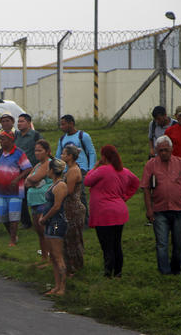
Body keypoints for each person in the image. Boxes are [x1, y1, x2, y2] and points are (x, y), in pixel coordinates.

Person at [140, 135, 181, 275]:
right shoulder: (151, 165)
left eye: (166, 150)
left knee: (179, 243)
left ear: (171, 149)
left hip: (180, 210)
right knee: (161, 243)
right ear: (157, 151)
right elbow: (146, 188)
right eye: (161, 150)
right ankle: (164, 272)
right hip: (160, 210)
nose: (163, 153)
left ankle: (176, 269)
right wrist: (149, 209)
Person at [84, 145, 139, 278]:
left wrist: (95, 166)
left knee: (106, 245)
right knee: (116, 243)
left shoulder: (103, 170)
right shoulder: (123, 171)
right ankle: (118, 272)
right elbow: (136, 182)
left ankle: (108, 272)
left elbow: (87, 181)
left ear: (104, 156)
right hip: (119, 211)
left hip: (104, 213)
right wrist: (125, 197)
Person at [0, 130, 32, 246]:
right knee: (3, 217)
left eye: (3, 139)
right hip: (1, 190)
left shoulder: (19, 153)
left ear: (10, 140)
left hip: (15, 191)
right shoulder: (0, 153)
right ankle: (13, 235)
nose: (1, 141)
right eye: (0, 139)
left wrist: (18, 178)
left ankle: (13, 239)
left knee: (14, 216)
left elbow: (28, 168)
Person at [55, 114, 96, 225]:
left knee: (80, 195)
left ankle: (86, 220)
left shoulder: (83, 136)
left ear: (71, 124)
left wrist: (90, 169)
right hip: (66, 171)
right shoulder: (62, 139)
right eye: (61, 124)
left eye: (63, 124)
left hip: (81, 169)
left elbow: (91, 152)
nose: (61, 127)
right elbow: (58, 156)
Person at [38, 159, 68, 296]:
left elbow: (57, 206)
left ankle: (62, 287)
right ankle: (56, 286)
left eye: (48, 169)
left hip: (57, 222)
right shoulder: (54, 184)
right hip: (50, 222)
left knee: (58, 255)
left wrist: (45, 217)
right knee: (54, 257)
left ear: (52, 170)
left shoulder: (61, 185)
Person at [25, 140, 53, 265]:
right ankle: (44, 257)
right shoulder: (37, 165)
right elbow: (26, 182)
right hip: (34, 201)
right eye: (35, 150)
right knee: (39, 232)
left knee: (45, 231)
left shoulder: (49, 164)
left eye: (40, 150)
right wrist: (32, 181)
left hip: (44, 201)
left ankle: (52, 258)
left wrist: (33, 181)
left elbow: (34, 178)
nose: (37, 153)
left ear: (47, 151)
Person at [60, 145, 86, 275]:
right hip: (68, 207)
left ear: (70, 156)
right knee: (68, 239)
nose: (61, 156)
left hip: (73, 208)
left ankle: (75, 267)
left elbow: (68, 191)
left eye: (64, 154)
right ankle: (70, 266)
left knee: (73, 239)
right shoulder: (69, 169)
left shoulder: (73, 171)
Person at [15, 113, 42, 230]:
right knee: (22, 198)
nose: (19, 124)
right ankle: (26, 222)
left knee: (36, 196)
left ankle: (40, 219)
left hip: (34, 171)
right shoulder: (16, 136)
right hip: (20, 172)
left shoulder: (35, 135)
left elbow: (42, 149)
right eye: (18, 121)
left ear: (28, 123)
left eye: (22, 121)